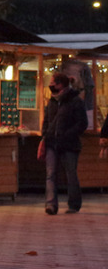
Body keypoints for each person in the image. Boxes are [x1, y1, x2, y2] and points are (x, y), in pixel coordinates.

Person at [40, 71, 87, 215]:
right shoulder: (52, 101)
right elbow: (47, 120)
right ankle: (51, 204)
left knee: (71, 173)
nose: (51, 86)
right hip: (52, 143)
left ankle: (74, 204)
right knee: (50, 174)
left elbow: (82, 123)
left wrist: (67, 135)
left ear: (61, 85)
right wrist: (45, 135)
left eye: (53, 83)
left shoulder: (75, 101)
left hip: (69, 144)